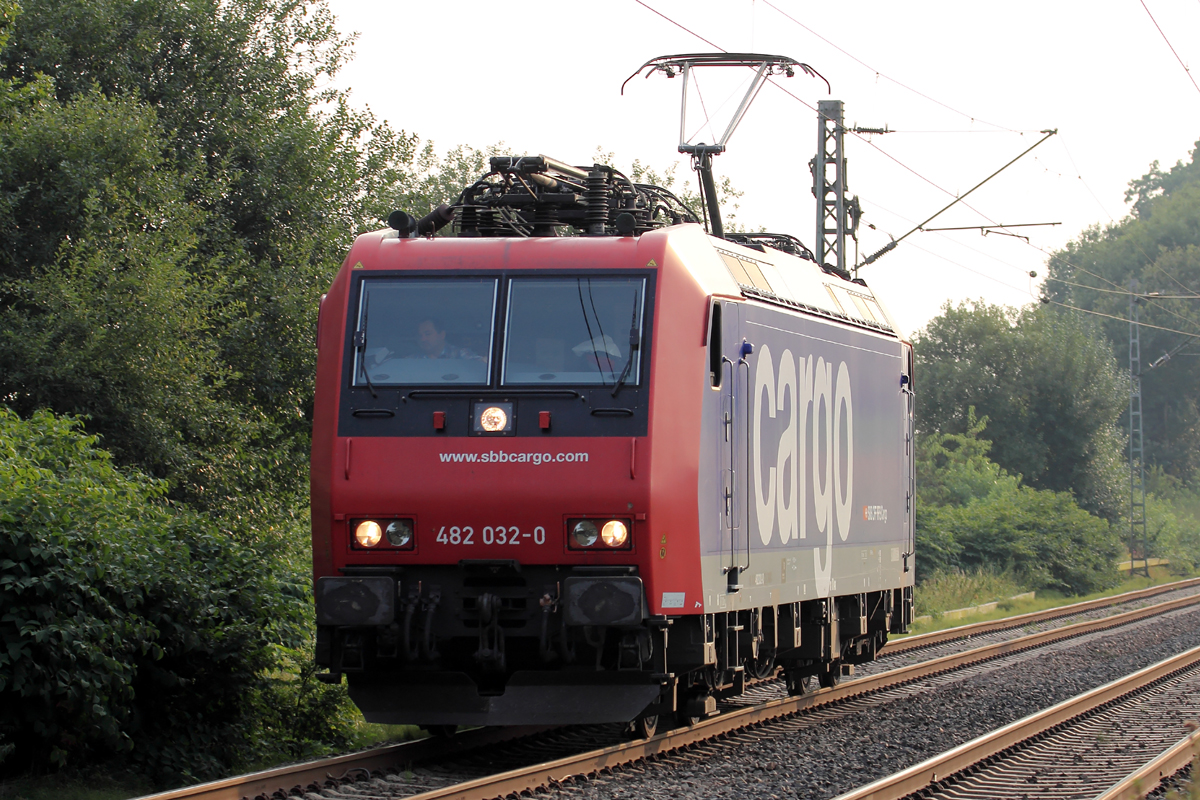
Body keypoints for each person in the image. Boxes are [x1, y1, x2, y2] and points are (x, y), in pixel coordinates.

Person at [413, 317, 483, 360]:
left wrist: (483, 361)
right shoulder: (411, 361)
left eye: (428, 334)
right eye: (420, 335)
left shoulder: (460, 354)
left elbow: (479, 364)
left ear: (442, 335)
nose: (423, 339)